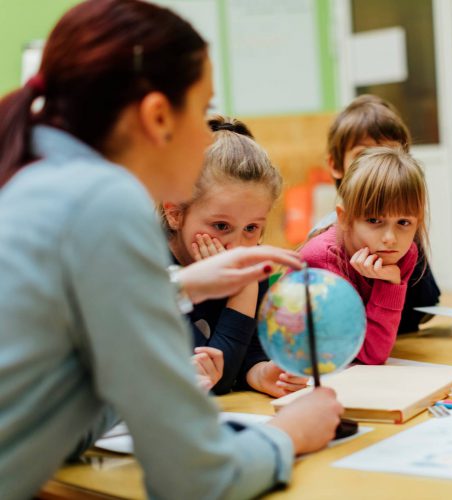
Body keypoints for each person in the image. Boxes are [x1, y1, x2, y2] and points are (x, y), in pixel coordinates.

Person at [0, 2, 341, 498]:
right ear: (158, 116)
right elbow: (195, 479)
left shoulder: (37, 180)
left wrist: (181, 285)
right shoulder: (106, 202)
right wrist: (290, 434)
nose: (208, 135)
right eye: (202, 112)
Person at [161, 116, 308, 397]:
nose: (237, 247)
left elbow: (244, 357)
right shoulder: (149, 267)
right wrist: (244, 289)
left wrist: (261, 373)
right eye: (221, 227)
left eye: (252, 228)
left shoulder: (251, 258)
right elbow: (212, 380)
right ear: (175, 212)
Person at [312, 94, 440, 333]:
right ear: (335, 165)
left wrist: (392, 277)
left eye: (386, 153)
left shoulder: (401, 228)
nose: (377, 164)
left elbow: (425, 305)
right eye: (363, 154)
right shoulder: (325, 240)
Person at [301, 147, 428, 364]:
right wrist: (390, 286)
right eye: (374, 221)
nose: (390, 238)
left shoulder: (404, 255)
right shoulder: (323, 259)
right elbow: (371, 353)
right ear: (344, 217)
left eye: (404, 223)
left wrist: (390, 281)